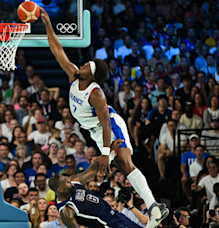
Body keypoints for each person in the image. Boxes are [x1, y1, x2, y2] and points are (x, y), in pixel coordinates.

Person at [40, 7, 168, 228]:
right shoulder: (73, 75)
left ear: (91, 75)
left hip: (109, 126)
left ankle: (154, 206)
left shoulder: (96, 94)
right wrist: (47, 24)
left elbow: (107, 123)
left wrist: (105, 152)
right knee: (116, 164)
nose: (80, 65)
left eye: (85, 66)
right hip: (95, 131)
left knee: (125, 163)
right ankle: (154, 207)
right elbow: (57, 49)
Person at [48, 154, 143, 227]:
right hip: (108, 225)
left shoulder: (74, 182)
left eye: (67, 179)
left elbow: (91, 171)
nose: (69, 181)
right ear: (60, 189)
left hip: (115, 215)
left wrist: (107, 155)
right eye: (66, 182)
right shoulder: (66, 211)